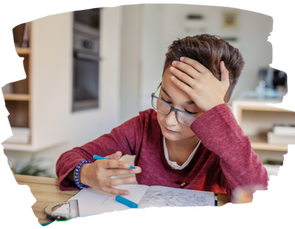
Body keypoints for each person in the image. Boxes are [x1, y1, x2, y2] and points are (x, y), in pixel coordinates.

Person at [56, 34, 271, 202]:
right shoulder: (143, 126)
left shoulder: (223, 144)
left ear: (215, 113)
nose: (169, 121)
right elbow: (70, 157)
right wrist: (85, 173)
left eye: (190, 111)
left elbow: (257, 191)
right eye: (165, 100)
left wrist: (218, 112)